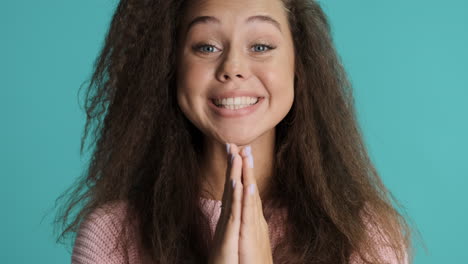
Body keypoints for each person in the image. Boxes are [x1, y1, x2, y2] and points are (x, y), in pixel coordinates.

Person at [54, 0, 414, 263]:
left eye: (260, 46)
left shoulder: (366, 235)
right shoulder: (111, 236)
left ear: (299, 66)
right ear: (171, 66)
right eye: (206, 46)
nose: (233, 68)